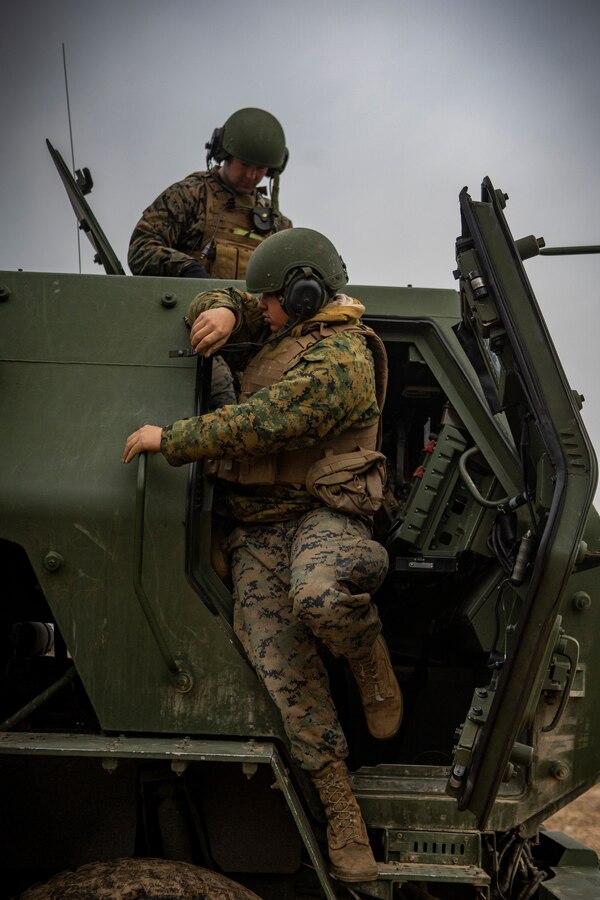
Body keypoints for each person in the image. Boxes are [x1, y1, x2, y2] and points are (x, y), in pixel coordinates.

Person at [122, 228, 402, 883]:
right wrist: (217, 308)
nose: (263, 311)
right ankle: (343, 817)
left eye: (270, 302)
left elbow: (266, 422)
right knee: (284, 678)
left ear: (304, 296)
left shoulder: (344, 359)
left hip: (324, 516)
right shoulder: (282, 325)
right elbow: (237, 302)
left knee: (320, 596)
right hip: (259, 530)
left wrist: (175, 439)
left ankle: (370, 661)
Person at [128, 106, 292, 408]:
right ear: (223, 153)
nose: (252, 175)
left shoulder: (278, 225)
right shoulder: (190, 196)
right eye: (245, 164)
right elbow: (142, 248)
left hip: (253, 343)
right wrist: (189, 270)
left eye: (262, 168)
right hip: (194, 333)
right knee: (221, 400)